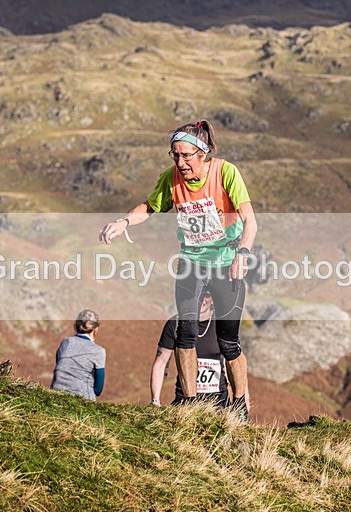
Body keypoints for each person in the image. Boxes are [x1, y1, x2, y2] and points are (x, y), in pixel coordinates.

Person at [100, 120, 257, 417]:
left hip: (226, 265)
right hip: (191, 265)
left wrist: (243, 253)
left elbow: (250, 220)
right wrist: (122, 222)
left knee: (228, 341)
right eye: (175, 155)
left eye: (186, 156)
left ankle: (238, 407)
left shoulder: (225, 172)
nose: (180, 162)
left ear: (203, 153)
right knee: (185, 334)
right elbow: (149, 206)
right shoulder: (171, 178)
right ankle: (190, 405)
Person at [151, 292, 251, 416]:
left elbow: (236, 362)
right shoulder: (175, 323)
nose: (202, 299)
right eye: (199, 293)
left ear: (213, 300)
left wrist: (244, 398)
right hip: (185, 405)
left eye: (207, 295)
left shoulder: (224, 325)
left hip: (219, 407)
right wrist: (155, 400)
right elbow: (161, 362)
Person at [50, 309, 106, 401]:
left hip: (55, 395)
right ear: (96, 329)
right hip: (83, 400)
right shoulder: (99, 351)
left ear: (76, 326)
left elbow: (61, 366)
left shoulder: (65, 342)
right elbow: (98, 390)